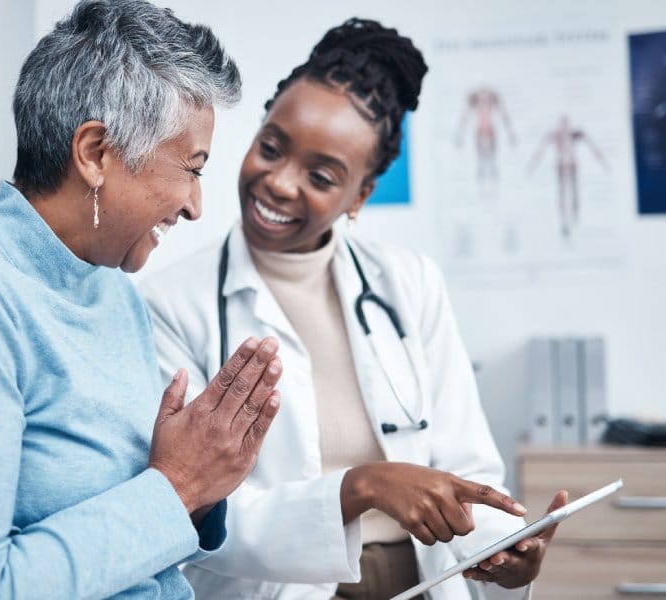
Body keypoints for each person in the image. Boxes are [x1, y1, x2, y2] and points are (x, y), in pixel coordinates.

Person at [0, 1, 284, 598]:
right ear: (95, 153)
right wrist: (177, 488)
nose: (195, 205)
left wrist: (204, 478)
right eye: (191, 168)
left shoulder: (111, 292)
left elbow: (137, 522)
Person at [140, 17, 566, 600]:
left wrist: (505, 549)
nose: (280, 183)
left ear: (360, 195)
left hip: (424, 583)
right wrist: (357, 488)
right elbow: (193, 513)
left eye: (321, 175)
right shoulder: (170, 303)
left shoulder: (409, 283)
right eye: (271, 147)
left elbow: (468, 471)